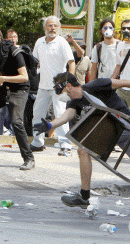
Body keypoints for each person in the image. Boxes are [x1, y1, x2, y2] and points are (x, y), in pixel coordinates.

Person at [33, 72, 130, 222]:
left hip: (125, 125)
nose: (66, 95)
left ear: (69, 85)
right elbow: (66, 116)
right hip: (106, 131)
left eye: (65, 91)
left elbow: (123, 83)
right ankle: (84, 196)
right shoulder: (74, 102)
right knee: (83, 150)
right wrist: (48, 125)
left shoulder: (96, 85)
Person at [30, 15, 75, 156]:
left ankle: (66, 145)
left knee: (61, 115)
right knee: (37, 114)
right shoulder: (39, 42)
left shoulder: (62, 42)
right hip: (43, 86)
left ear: (59, 27)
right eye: (50, 25)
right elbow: (35, 61)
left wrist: (69, 83)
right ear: (45, 28)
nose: (53, 28)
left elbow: (71, 63)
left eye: (55, 25)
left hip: (59, 87)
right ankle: (37, 143)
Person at [0, 30, 35, 170]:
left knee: (16, 122)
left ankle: (29, 158)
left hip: (20, 89)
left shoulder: (13, 51)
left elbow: (24, 77)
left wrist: (3, 78)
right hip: (4, 87)